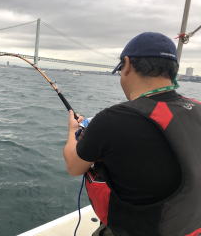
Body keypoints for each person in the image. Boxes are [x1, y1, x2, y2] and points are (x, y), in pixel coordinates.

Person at [63, 32, 201, 236]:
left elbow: (74, 166)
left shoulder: (112, 119)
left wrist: (72, 131)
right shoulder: (198, 108)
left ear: (126, 64)